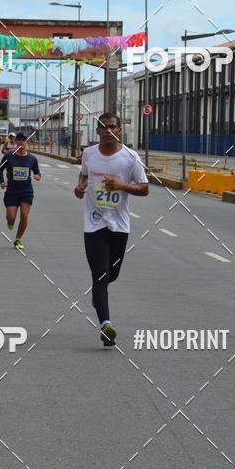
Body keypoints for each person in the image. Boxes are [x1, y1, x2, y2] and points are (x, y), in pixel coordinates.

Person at [74, 112, 148, 347]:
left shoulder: (130, 158)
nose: (108, 130)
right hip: (94, 223)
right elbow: (84, 174)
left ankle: (99, 297)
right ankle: (106, 325)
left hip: (120, 225)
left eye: (112, 127)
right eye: (103, 127)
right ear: (97, 131)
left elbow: (144, 188)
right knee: (100, 275)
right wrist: (80, 186)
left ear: (119, 131)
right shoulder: (89, 154)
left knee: (110, 275)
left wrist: (122, 185)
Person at [0, 132, 41, 251]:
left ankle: (18, 239)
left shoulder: (32, 158)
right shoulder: (9, 156)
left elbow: (37, 172)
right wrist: (2, 181)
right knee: (11, 217)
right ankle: (10, 222)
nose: (21, 142)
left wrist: (37, 176)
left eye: (23, 140)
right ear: (15, 142)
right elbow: (0, 170)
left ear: (27, 142)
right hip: (12, 190)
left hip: (26, 190)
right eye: (19, 140)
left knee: (25, 216)